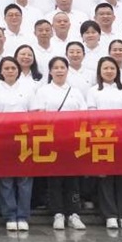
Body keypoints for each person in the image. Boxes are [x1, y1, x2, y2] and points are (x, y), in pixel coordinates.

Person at [32, 57, 89, 230]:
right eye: (55, 68)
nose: (59, 70)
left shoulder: (75, 91)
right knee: (54, 178)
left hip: (73, 140)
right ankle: (57, 213)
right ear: (50, 71)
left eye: (62, 67)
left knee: (73, 178)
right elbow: (39, 115)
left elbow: (84, 115)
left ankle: (74, 213)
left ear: (67, 70)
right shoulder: (43, 91)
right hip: (52, 140)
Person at [0, 56, 36, 231]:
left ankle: (23, 215)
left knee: (24, 179)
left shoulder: (28, 89)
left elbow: (34, 114)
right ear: (1, 71)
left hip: (25, 139)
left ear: (18, 70)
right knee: (6, 179)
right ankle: (9, 215)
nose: (10, 71)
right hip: (3, 139)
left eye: (13, 68)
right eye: (6, 68)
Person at [88, 56, 122, 229]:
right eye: (105, 68)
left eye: (112, 68)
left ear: (117, 71)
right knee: (105, 177)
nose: (109, 71)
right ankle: (109, 214)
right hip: (102, 137)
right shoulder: (93, 91)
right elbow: (91, 115)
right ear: (100, 72)